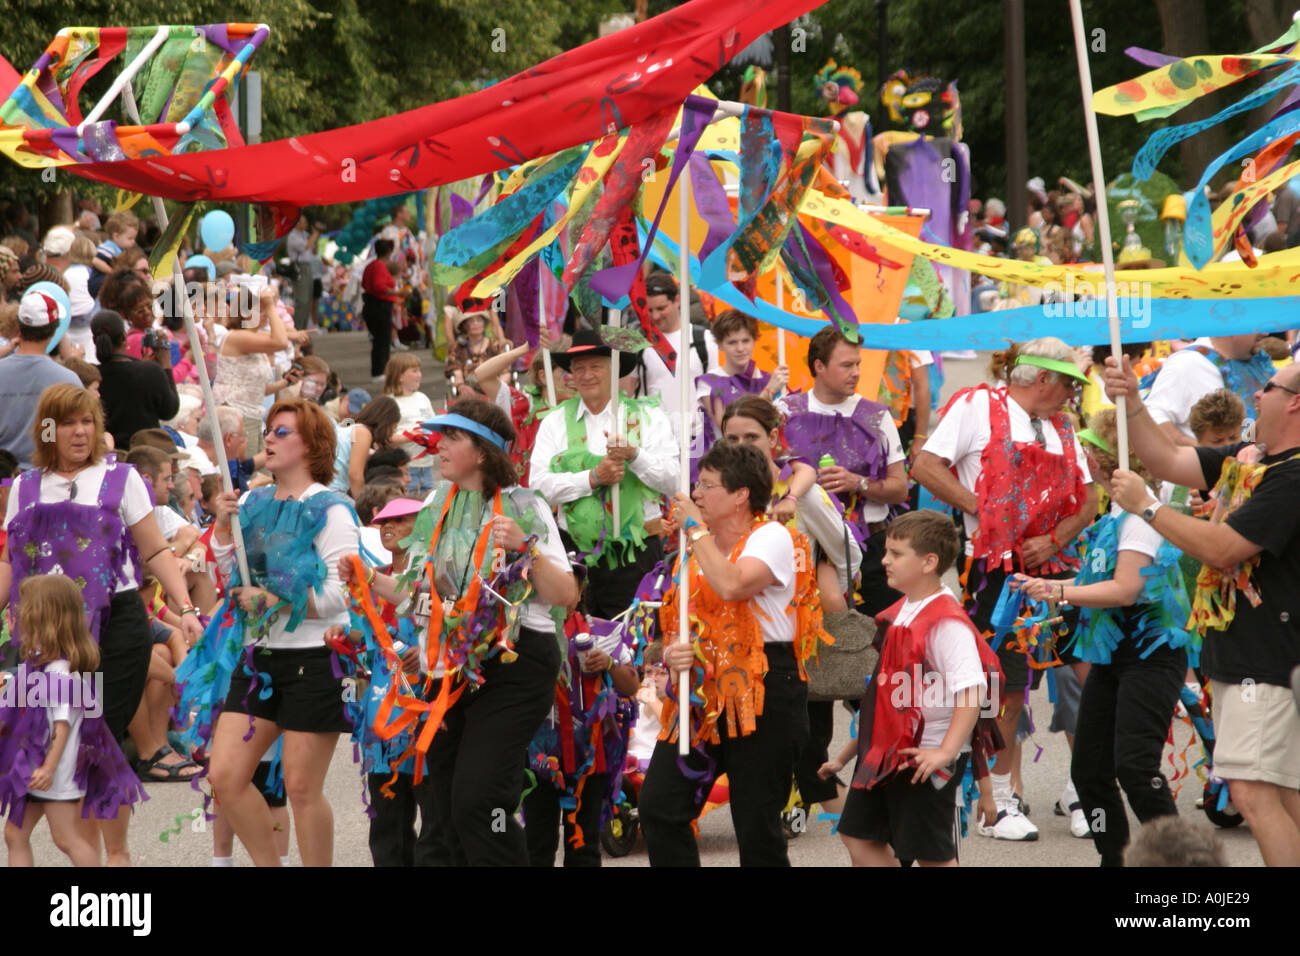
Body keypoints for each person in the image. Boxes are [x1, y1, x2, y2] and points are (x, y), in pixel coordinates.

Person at [338, 399, 577, 865]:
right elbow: (418, 597)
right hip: (453, 666)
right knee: (445, 803)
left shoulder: (526, 505)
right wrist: (368, 578)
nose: (439, 446)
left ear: (483, 451)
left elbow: (565, 594)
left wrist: (528, 550)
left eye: (452, 437)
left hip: (516, 661)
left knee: (481, 801)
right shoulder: (435, 504)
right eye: (439, 435)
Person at [1101, 353, 1300, 866]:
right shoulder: (1254, 456)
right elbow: (1169, 461)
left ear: (1295, 404)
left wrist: (1148, 507)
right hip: (1251, 655)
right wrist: (1133, 403)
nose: (1257, 394)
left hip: (1270, 659)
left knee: (1255, 792)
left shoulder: (1293, 477)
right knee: (1284, 793)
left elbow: (1221, 549)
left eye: (1270, 389)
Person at [1, 384, 204, 865]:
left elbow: (155, 550)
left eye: (87, 421)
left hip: (116, 629)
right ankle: (86, 857)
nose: (79, 431)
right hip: (46, 640)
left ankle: (113, 856)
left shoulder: (122, 478)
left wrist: (187, 608)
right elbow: (11, 566)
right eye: (67, 422)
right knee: (51, 746)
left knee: (98, 740)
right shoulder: (25, 488)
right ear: (46, 429)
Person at [912, 337, 1098, 841]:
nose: (1073, 395)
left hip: (1058, 569)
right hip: (999, 574)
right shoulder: (977, 405)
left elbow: (1090, 497)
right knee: (1008, 688)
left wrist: (1054, 538)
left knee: (1091, 677)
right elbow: (925, 466)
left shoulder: (1063, 426)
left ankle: (1085, 789)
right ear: (1041, 380)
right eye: (1069, 384)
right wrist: (984, 510)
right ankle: (999, 801)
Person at [1013, 408, 1193, 866]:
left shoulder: (1138, 514)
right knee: (1090, 774)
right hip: (1113, 657)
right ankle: (1113, 857)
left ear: (1104, 458)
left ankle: (1178, 864)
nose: (1083, 457)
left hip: (1151, 657)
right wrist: (1051, 588)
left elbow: (1127, 588)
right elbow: (1106, 577)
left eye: (1089, 449)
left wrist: (1059, 589)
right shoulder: (1115, 512)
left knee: (1135, 768)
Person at [639, 441, 827, 867]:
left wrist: (695, 529)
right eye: (697, 485)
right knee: (659, 806)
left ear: (741, 494)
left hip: (763, 686)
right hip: (702, 693)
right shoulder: (692, 552)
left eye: (707, 485)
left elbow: (732, 585)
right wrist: (674, 654)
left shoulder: (773, 536)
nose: (697, 494)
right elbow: (680, 621)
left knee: (757, 828)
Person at [189, 399, 359, 867]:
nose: (269, 437)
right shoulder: (251, 501)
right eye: (269, 430)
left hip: (315, 658)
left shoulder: (333, 510)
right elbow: (229, 574)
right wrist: (224, 528)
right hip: (257, 657)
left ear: (312, 444)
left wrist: (277, 602)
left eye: (283, 432)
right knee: (225, 775)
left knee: (302, 789)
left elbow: (341, 595)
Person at [722, 394, 858, 815]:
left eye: (752, 436)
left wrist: (823, 583)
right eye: (732, 437)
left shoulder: (799, 493)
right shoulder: (718, 487)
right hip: (735, 642)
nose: (742, 445)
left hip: (796, 642)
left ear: (773, 438)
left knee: (807, 740)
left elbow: (848, 549)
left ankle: (861, 825)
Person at [836, 511, 995, 867]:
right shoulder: (906, 608)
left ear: (929, 562)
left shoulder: (945, 621)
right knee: (858, 835)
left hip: (924, 754)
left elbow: (973, 689)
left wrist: (945, 751)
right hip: (889, 749)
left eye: (895, 553)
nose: (884, 560)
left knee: (930, 856)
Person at [0, 575, 147, 866]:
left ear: (39, 619)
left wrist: (49, 767)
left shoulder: (58, 672)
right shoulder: (36, 667)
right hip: (34, 766)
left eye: (18, 610)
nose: (11, 615)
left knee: (66, 838)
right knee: (15, 835)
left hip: (54, 770)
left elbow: (62, 727)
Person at [533, 329, 679, 619]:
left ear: (614, 370)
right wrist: (591, 478)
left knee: (633, 643)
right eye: (579, 368)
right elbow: (537, 488)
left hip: (635, 558)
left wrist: (635, 456)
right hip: (572, 556)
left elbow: (673, 480)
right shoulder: (554, 422)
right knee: (578, 644)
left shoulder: (649, 418)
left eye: (595, 366)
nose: (586, 375)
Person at [780, 326, 909, 614]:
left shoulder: (877, 416)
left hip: (871, 551)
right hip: (802, 548)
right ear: (819, 366)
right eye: (846, 365)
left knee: (876, 645)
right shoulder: (786, 411)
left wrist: (858, 482)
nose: (856, 372)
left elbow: (900, 488)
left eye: (858, 364)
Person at [213, 285, 308, 455]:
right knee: (246, 470)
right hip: (235, 412)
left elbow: (259, 389)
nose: (266, 315)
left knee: (262, 468)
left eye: (266, 310)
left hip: (252, 413)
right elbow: (280, 341)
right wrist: (271, 305)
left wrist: (285, 382)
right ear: (245, 313)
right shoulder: (237, 337)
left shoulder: (254, 338)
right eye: (261, 310)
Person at [0, 290, 82, 469]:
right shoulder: (68, 380)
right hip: (45, 476)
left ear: (19, 328)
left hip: (4, 478)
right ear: (54, 331)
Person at [695, 309, 787, 468]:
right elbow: (726, 425)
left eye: (745, 341)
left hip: (765, 465)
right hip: (726, 466)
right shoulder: (709, 383)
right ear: (720, 345)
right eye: (732, 342)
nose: (740, 348)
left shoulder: (771, 379)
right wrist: (768, 393)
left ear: (754, 340)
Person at [1144, 334, 1270, 444]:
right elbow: (1152, 415)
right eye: (1255, 325)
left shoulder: (1258, 363)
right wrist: (1200, 451)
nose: (1265, 333)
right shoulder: (1187, 362)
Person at [635, 273, 714, 447]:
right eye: (649, 310)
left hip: (697, 439)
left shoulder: (705, 340)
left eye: (661, 308)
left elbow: (714, 394)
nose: (655, 316)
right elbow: (629, 398)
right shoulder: (638, 344)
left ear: (676, 300)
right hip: (655, 442)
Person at [92, 309, 180, 450]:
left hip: (108, 454)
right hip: (146, 455)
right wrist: (166, 364)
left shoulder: (92, 377)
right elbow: (169, 410)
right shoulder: (150, 372)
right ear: (123, 337)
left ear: (94, 341)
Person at [383, 354, 436, 496]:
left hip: (426, 464)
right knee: (407, 501)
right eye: (414, 371)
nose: (419, 375)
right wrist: (409, 437)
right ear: (399, 376)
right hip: (405, 467)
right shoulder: (390, 403)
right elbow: (385, 439)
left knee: (429, 501)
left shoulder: (422, 398)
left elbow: (434, 426)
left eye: (419, 370)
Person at [331, 395, 400, 497]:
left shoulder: (348, 426)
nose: (391, 433)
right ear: (386, 423)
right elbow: (355, 475)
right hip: (335, 490)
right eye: (393, 428)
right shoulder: (362, 433)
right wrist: (362, 505)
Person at [362, 238, 402, 380]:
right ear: (389, 252)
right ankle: (379, 371)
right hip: (379, 306)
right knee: (381, 340)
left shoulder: (372, 265)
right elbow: (379, 287)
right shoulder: (378, 266)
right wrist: (397, 293)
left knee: (382, 339)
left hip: (375, 305)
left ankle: (382, 369)